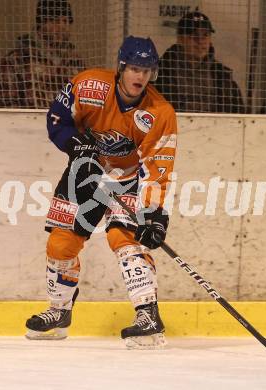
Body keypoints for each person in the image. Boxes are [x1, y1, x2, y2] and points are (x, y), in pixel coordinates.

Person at [25, 36, 177, 350]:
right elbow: (58, 119)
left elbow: (158, 170)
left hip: (129, 178)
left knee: (123, 238)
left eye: (147, 71)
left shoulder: (160, 112)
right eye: (135, 68)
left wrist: (154, 217)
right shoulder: (89, 85)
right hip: (86, 171)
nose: (141, 77)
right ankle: (59, 310)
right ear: (121, 67)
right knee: (60, 243)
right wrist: (75, 146)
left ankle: (148, 316)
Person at [0, 0, 84, 108]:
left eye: (66, 21)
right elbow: (7, 106)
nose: (62, 27)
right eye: (55, 21)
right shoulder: (17, 59)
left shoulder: (75, 60)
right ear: (41, 23)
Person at [155, 11, 244, 113]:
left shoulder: (223, 75)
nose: (200, 41)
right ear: (180, 39)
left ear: (210, 39)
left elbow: (239, 115)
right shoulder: (161, 72)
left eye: (205, 35)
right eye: (194, 35)